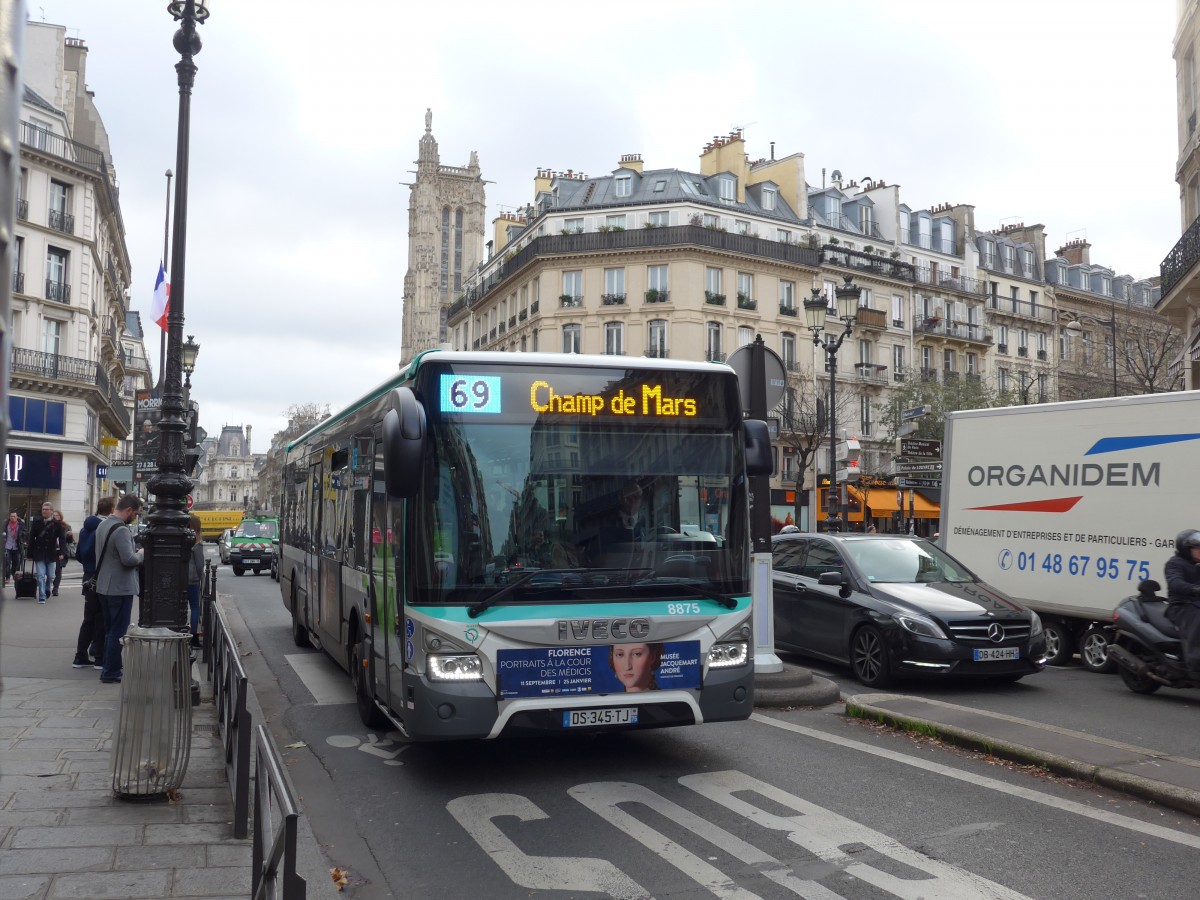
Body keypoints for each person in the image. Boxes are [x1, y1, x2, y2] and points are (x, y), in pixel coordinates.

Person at [95, 495, 144, 684]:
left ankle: (108, 667)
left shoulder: (103, 525)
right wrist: (141, 554)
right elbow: (129, 560)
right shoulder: (121, 530)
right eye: (136, 513)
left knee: (110, 630)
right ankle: (111, 671)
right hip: (119, 587)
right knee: (118, 631)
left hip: (103, 586)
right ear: (129, 510)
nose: (136, 517)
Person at [72, 497, 114, 670]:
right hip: (102, 575)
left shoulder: (84, 529)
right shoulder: (106, 528)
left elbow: (79, 554)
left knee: (88, 617)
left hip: (88, 575)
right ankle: (99, 656)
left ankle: (80, 655)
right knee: (101, 617)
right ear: (111, 510)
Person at [1165, 528, 1200, 679]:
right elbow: (1175, 582)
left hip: (1196, 603)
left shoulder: (1197, 564)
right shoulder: (1175, 564)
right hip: (1181, 606)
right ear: (1186, 549)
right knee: (1197, 619)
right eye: (1197, 549)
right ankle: (1195, 666)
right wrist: (1193, 589)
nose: (1199, 551)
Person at [26, 502, 66, 604]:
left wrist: (62, 552)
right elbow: (31, 539)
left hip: (51, 553)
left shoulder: (57, 524)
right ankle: (42, 596)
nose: (44, 511)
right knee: (40, 575)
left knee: (51, 576)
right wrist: (29, 554)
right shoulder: (37, 522)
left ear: (51, 511)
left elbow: (62, 539)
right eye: (43, 509)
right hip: (39, 552)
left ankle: (48, 588)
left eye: (47, 509)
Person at [187, 513, 205, 647]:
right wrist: (201, 578)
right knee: (195, 607)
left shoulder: (182, 538)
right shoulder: (197, 543)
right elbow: (200, 565)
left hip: (180, 578)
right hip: (192, 579)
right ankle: (194, 637)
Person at [52, 511, 73, 596]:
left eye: (57, 515)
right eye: (54, 515)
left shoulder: (66, 526)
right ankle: (47, 586)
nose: (55, 517)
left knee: (58, 570)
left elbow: (69, 541)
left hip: (60, 551)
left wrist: (70, 535)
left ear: (60, 517)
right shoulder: (50, 525)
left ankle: (55, 588)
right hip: (51, 550)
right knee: (50, 571)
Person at [4, 511, 25, 584]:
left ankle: (14, 574)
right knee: (7, 562)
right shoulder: (6, 524)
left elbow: (25, 532)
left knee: (16, 563)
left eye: (14, 516)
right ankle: (7, 577)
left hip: (17, 546)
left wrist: (21, 536)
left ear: (17, 517)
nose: (12, 518)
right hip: (7, 546)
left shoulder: (21, 524)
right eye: (11, 516)